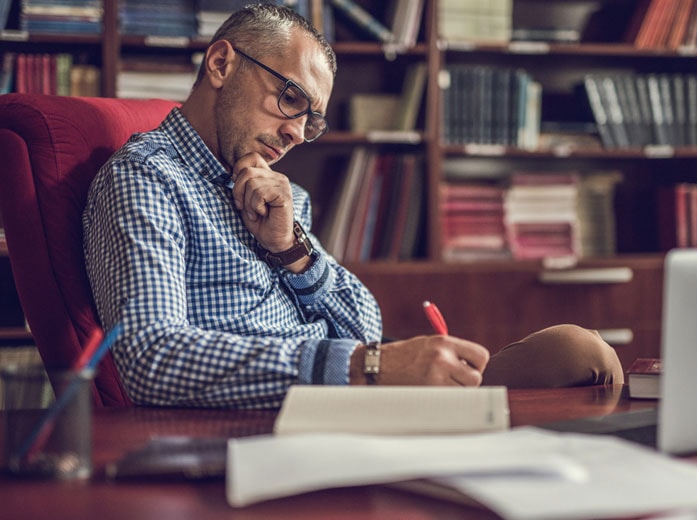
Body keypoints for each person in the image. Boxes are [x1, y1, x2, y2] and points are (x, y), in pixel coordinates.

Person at [83, 4, 623, 409]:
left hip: (355, 394)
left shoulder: (274, 193)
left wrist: (291, 251)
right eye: (289, 98)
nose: (295, 132)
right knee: (577, 363)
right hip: (291, 417)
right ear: (222, 63)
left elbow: (364, 320)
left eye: (311, 120)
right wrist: (365, 367)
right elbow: (152, 360)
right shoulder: (148, 178)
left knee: (580, 354)